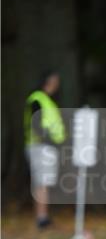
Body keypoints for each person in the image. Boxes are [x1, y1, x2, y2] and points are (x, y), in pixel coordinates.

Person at [24, 70, 66, 229]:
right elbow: (36, 123)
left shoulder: (49, 101)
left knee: (45, 182)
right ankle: (42, 218)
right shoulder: (38, 99)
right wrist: (47, 138)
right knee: (41, 182)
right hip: (40, 146)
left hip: (47, 147)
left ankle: (44, 216)